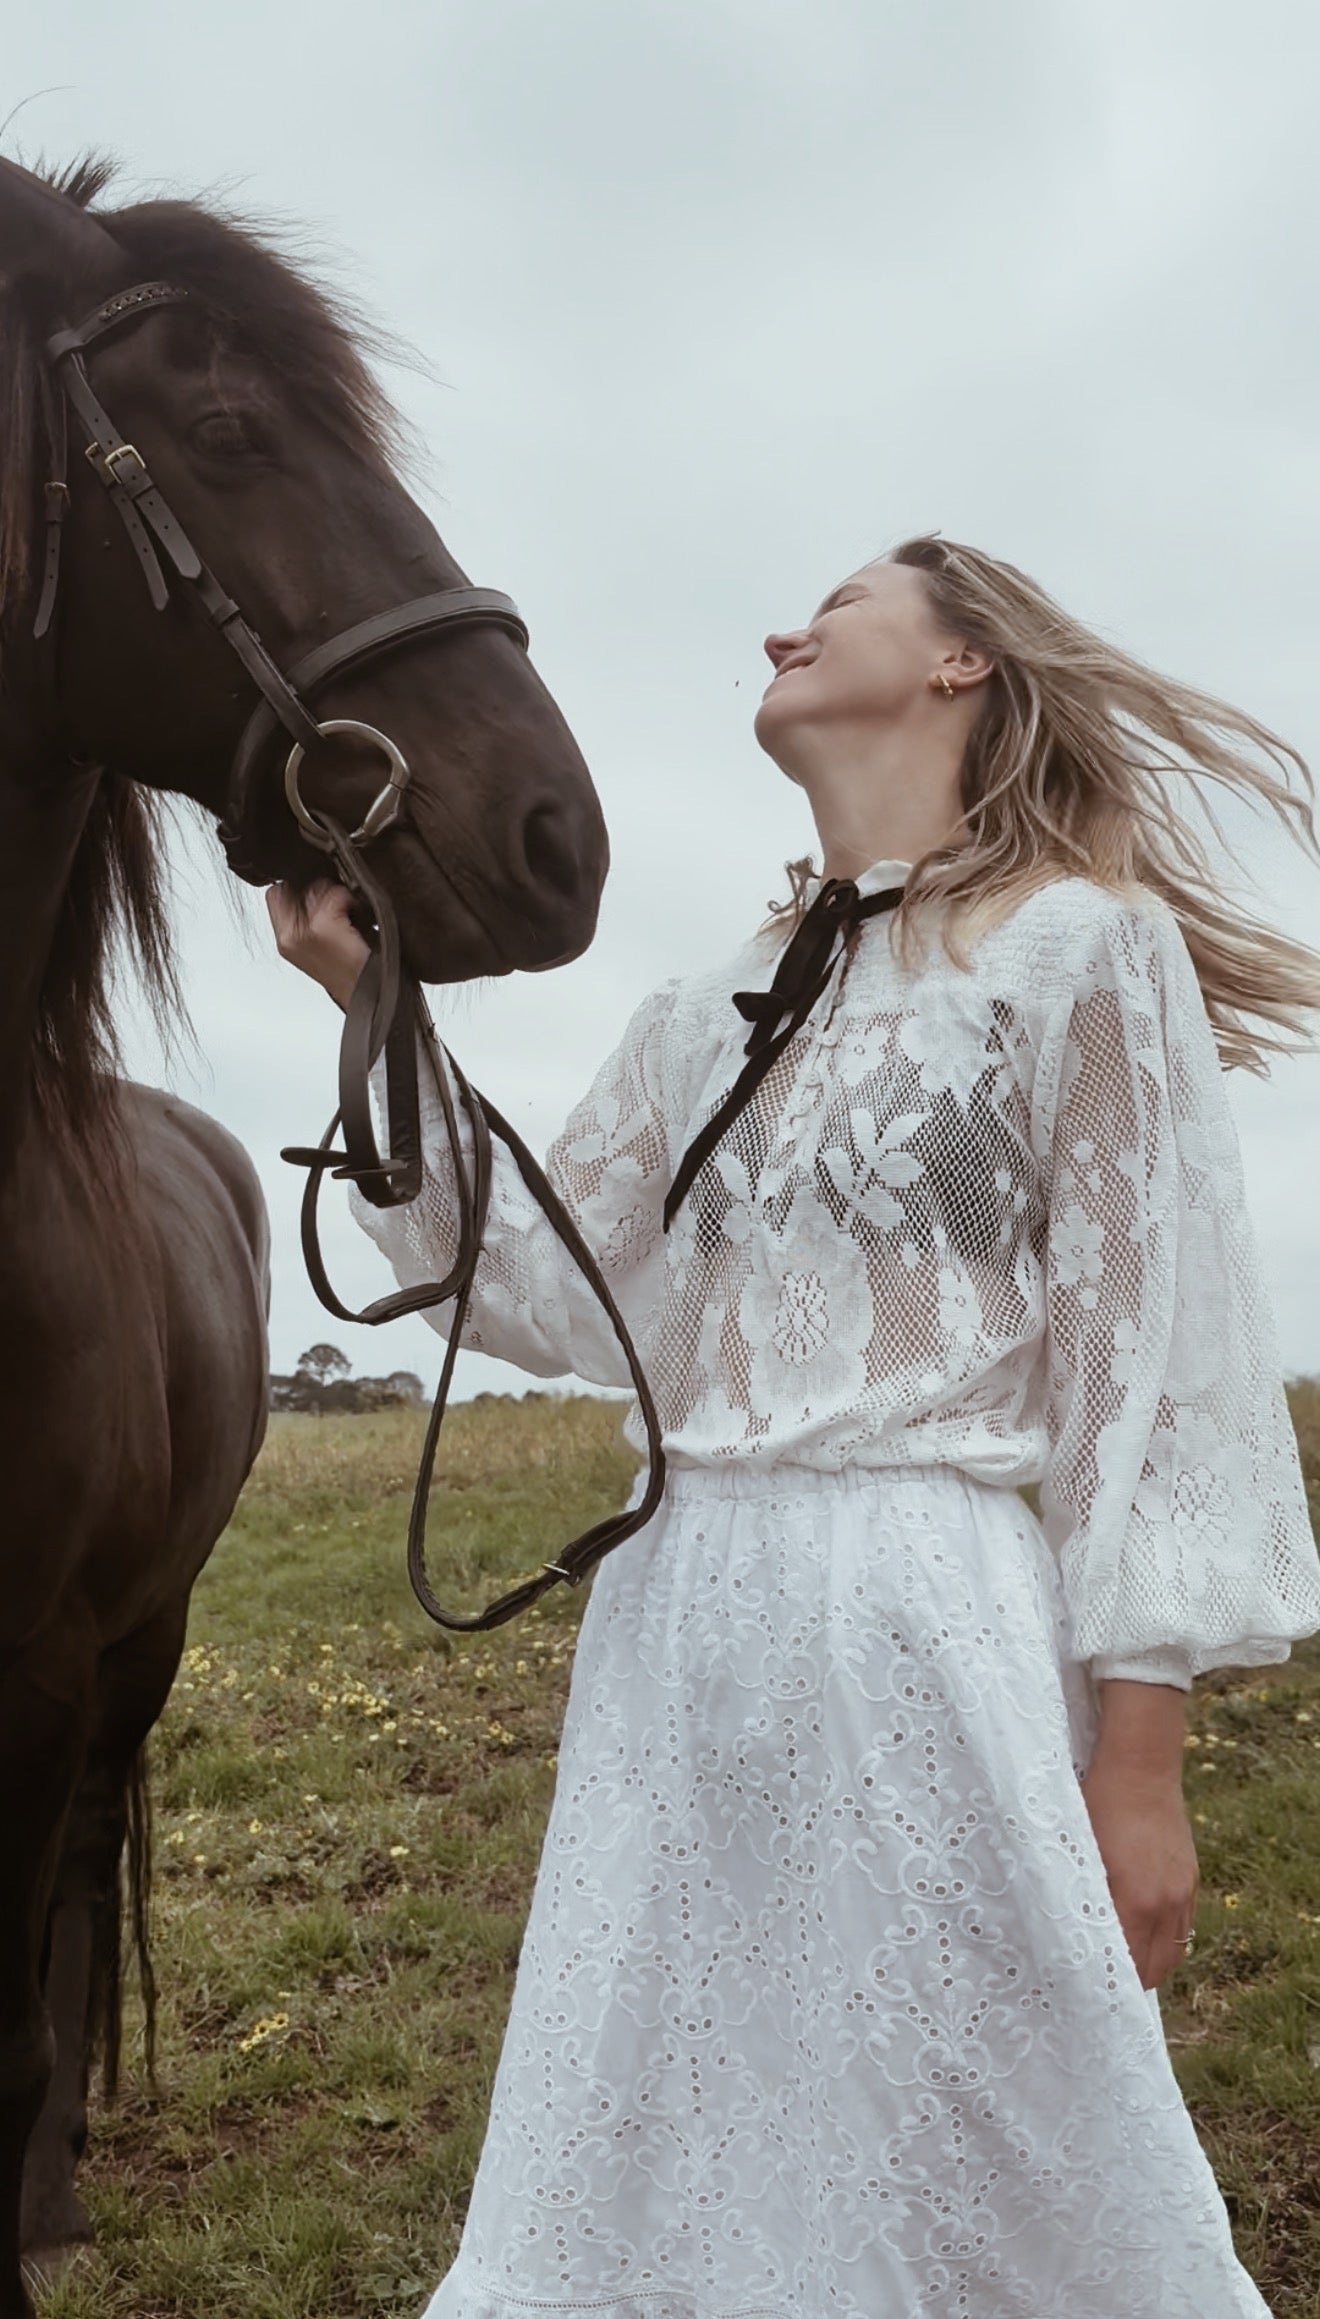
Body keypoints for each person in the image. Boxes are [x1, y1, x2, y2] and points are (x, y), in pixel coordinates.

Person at [268, 533, 1320, 2319]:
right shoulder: (712, 1002)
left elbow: (1157, 1371)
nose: (783, 625)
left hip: (937, 1614)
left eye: (836, 604)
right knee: (663, 2121)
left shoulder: (1085, 950)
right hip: (681, 1623)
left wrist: (1139, 1771)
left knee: (969, 2115)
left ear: (964, 662)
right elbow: (546, 1290)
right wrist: (374, 1017)